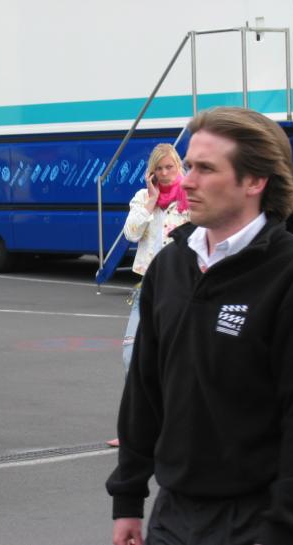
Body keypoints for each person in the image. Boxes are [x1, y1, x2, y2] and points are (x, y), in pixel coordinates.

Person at [106, 107, 293, 545]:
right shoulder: (169, 266)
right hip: (173, 516)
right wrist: (128, 498)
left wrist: (286, 525)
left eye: (206, 168)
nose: (187, 181)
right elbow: (144, 391)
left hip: (261, 522)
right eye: (189, 165)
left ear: (255, 181)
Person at [107, 143, 190, 448]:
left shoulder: (191, 198)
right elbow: (130, 234)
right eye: (160, 168)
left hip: (182, 287)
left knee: (176, 359)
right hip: (148, 285)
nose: (166, 174)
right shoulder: (143, 198)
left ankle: (176, 426)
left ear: (179, 167)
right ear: (151, 172)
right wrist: (151, 202)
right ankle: (136, 428)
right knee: (132, 354)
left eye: (170, 167)